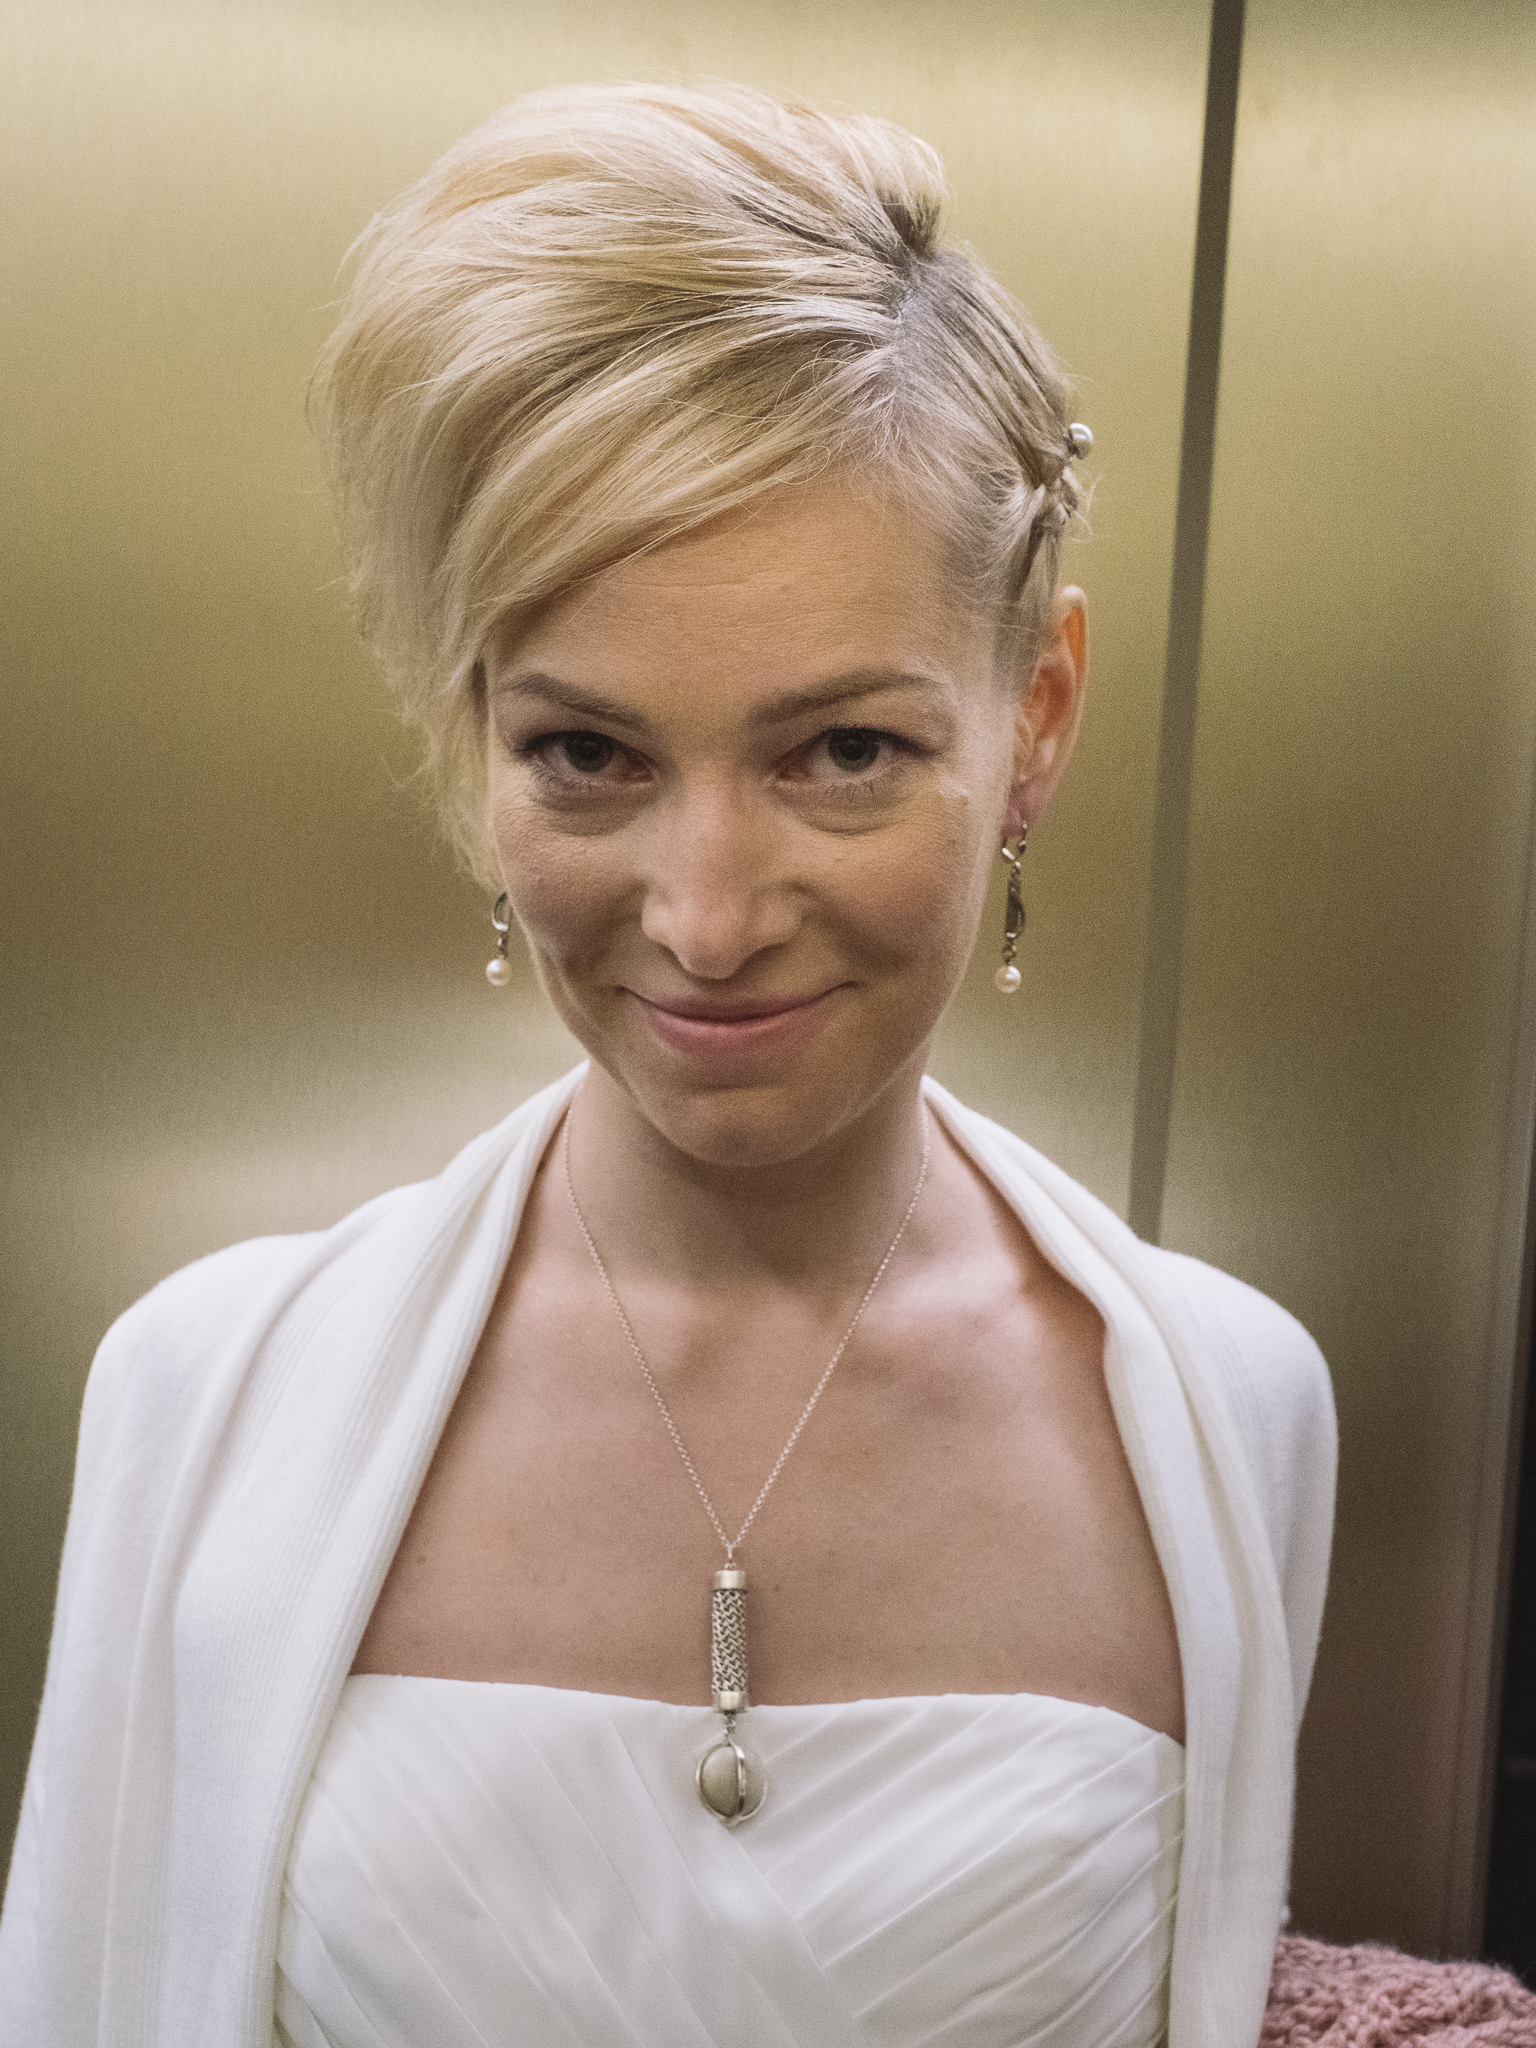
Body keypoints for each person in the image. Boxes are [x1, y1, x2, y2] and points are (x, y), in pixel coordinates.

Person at [0, 80, 1336, 2048]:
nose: (707, 918)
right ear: (477, 740)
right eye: (589, 754)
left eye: (845, 751)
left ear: (1037, 717)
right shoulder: (208, 1392)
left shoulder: (1225, 1413)